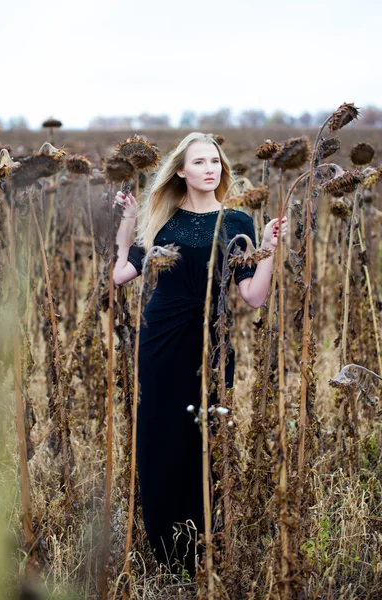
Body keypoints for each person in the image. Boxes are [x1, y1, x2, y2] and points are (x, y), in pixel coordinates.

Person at [112, 132, 287, 578]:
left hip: (212, 340)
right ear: (181, 171)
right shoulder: (162, 221)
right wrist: (129, 221)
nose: (210, 168)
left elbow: (251, 296)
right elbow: (120, 275)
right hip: (161, 340)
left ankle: (200, 540)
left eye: (215, 160)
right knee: (160, 436)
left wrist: (268, 246)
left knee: (204, 435)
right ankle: (165, 549)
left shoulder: (238, 222)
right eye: (199, 161)